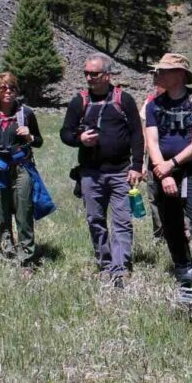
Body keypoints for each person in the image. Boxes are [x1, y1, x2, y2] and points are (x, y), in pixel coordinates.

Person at [60, 53, 144, 288]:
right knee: (95, 220)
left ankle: (120, 268)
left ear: (107, 75)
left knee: (122, 221)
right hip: (90, 173)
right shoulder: (79, 101)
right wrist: (80, 138)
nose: (89, 77)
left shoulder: (123, 99)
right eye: (86, 73)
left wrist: (137, 166)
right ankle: (105, 263)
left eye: (94, 73)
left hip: (121, 172)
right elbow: (64, 133)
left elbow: (137, 134)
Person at [144, 53, 192, 276]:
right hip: (162, 170)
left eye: (163, 71)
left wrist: (172, 164)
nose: (157, 74)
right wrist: (163, 173)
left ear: (180, 75)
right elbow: (152, 142)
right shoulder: (154, 105)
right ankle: (182, 268)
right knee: (171, 222)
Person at [0, 72, 44, 267]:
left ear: (17, 91)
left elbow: (39, 141)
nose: (8, 91)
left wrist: (30, 136)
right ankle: (6, 250)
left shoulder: (25, 113)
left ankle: (27, 257)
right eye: (3, 88)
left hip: (21, 167)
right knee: (0, 213)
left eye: (12, 88)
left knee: (24, 212)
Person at [139, 83, 165, 242]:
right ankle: (160, 237)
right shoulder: (150, 102)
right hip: (153, 161)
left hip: (179, 160)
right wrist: (141, 161)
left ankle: (185, 234)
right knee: (154, 198)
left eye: (161, 76)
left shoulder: (187, 100)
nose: (157, 82)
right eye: (156, 77)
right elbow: (143, 135)